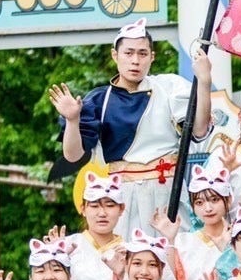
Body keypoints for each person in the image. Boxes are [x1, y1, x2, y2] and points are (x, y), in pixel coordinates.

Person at [50, 24, 215, 236]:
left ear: (152, 57)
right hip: (122, 195)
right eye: (128, 53)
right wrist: (72, 120)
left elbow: (199, 131)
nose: (135, 60)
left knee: (173, 251)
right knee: (124, 251)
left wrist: (204, 82)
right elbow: (73, 155)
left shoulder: (169, 87)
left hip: (167, 190)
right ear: (115, 55)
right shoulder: (99, 100)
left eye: (142, 53)